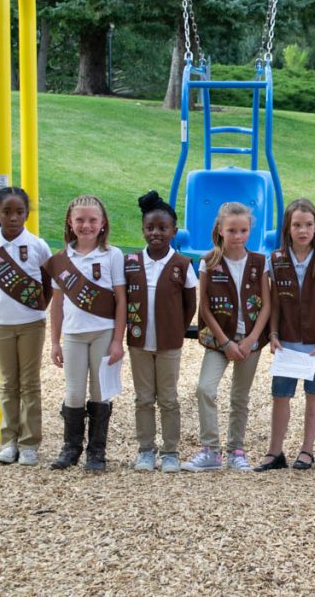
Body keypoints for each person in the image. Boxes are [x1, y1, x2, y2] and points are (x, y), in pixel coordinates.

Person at [184, 202, 271, 472]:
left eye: (243, 230)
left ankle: (236, 450)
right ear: (220, 230)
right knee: (205, 389)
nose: (238, 236)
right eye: (232, 230)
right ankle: (210, 449)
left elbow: (267, 305)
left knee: (239, 397)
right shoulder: (209, 261)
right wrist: (225, 342)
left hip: (250, 340)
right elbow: (205, 307)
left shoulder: (259, 262)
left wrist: (250, 339)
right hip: (219, 339)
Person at [256, 198, 315, 471]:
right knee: (281, 395)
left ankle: (307, 450)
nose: (303, 230)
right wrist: (273, 333)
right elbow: (275, 302)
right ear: (288, 228)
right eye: (297, 225)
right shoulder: (276, 260)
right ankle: (275, 451)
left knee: (314, 393)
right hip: (287, 340)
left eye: (309, 225)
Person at [46, 195, 126, 471]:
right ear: (70, 221)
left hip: (103, 332)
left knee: (100, 392)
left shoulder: (112, 255)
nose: (86, 225)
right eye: (80, 219)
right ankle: (70, 448)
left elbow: (121, 299)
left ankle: (96, 452)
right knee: (74, 392)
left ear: (103, 223)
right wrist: (54, 342)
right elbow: (56, 304)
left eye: (93, 220)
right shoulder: (61, 260)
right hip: (73, 334)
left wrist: (118, 339)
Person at [0, 186, 53, 466]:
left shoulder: (38, 246)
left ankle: (30, 442)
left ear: (27, 214)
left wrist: (38, 308)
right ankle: (9, 440)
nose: (13, 217)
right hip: (0, 324)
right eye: (6, 212)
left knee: (30, 383)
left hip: (31, 324)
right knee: (8, 384)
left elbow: (47, 283)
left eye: (19, 212)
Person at [125, 191, 197, 473]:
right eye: (150, 228)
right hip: (139, 343)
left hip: (169, 344)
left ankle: (170, 451)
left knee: (168, 398)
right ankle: (145, 450)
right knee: (143, 398)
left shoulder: (182, 265)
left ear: (173, 231)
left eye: (162, 228)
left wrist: (177, 329)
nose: (156, 233)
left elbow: (190, 303)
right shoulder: (130, 262)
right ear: (143, 229)